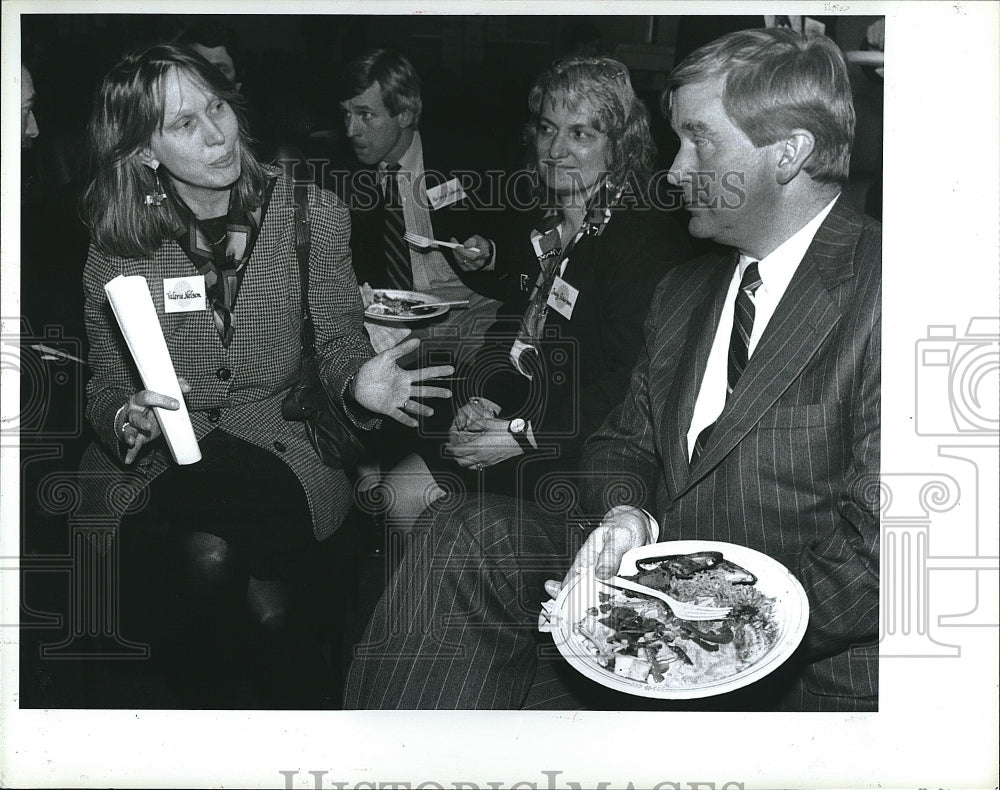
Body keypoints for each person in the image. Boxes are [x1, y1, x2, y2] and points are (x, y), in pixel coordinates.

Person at [344, 28, 880, 712]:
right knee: (459, 529)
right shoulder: (686, 293)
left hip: (792, 659)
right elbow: (623, 443)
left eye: (699, 139)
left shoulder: (893, 289)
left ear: (788, 153)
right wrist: (628, 515)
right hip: (647, 580)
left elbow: (888, 553)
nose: (676, 170)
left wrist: (698, 618)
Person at [75, 43, 453, 707]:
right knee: (242, 591)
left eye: (216, 107)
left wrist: (358, 380)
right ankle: (288, 680)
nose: (216, 133)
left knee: (206, 561)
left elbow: (337, 338)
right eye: (183, 124)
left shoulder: (311, 214)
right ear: (143, 152)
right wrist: (125, 415)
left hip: (276, 440)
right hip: (163, 461)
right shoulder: (119, 244)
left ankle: (215, 710)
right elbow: (104, 384)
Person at [380, 56, 691, 526]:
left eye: (580, 134)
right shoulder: (545, 219)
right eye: (548, 129)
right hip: (526, 412)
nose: (556, 150)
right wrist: (486, 400)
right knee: (397, 492)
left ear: (620, 143)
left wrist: (519, 434)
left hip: (589, 448)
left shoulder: (642, 238)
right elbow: (515, 327)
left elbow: (630, 387)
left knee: (430, 513)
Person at [334, 49, 500, 354]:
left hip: (469, 310)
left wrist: (488, 251)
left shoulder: (463, 158)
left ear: (405, 114)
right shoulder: (343, 179)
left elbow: (510, 232)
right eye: (346, 113)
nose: (350, 130)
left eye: (365, 115)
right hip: (394, 323)